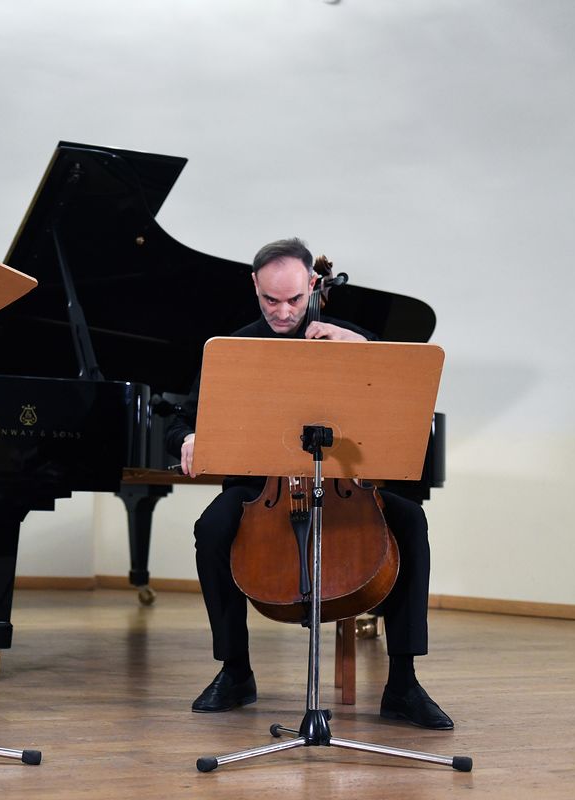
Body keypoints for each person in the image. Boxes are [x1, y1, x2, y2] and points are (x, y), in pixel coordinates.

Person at [165, 237, 453, 730]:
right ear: (254, 286)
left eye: (295, 299)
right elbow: (178, 420)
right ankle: (235, 671)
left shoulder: (349, 339)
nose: (282, 311)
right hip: (260, 488)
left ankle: (403, 683)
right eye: (270, 299)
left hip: (343, 482)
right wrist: (189, 438)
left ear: (314, 285)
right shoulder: (235, 348)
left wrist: (363, 350)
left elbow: (403, 403)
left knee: (410, 520)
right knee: (211, 528)